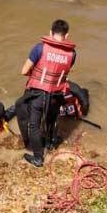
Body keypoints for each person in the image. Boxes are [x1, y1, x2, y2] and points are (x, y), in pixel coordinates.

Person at [12, 19, 77, 167]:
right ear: (67, 35)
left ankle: (38, 158)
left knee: (34, 125)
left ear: (50, 33)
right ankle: (50, 143)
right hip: (56, 95)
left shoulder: (40, 48)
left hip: (38, 94)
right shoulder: (72, 54)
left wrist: (36, 76)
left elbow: (23, 71)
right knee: (51, 119)